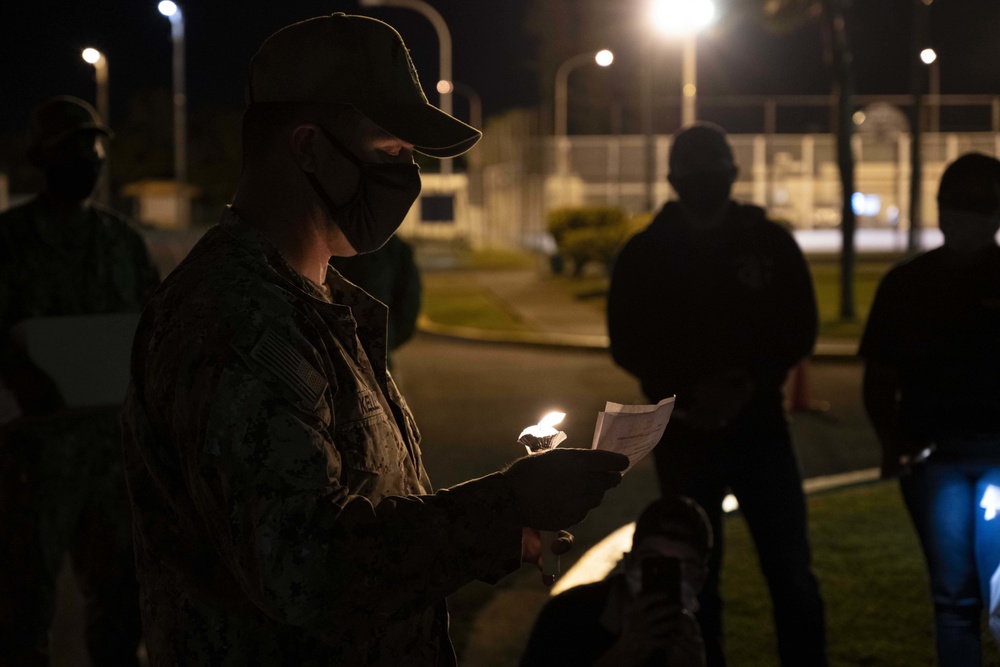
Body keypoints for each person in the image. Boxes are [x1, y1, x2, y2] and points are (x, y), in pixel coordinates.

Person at [121, 13, 629, 666]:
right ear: (307, 148)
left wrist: (507, 528)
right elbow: (306, 564)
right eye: (391, 152)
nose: (408, 177)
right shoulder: (232, 318)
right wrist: (505, 502)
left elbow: (361, 506)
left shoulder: (312, 301)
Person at [606, 122, 826, 666]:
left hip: (760, 426)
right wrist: (690, 394)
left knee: (791, 573)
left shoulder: (769, 243)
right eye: (695, 169)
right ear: (673, 179)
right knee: (693, 578)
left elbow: (800, 325)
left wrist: (748, 382)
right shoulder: (646, 253)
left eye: (714, 167)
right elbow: (629, 338)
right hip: (684, 431)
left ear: (733, 173)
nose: (705, 178)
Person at [0, 96, 160, 665]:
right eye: (75, 148)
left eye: (95, 149)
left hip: (110, 457)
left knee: (122, 607)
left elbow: (152, 330)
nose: (89, 159)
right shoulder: (9, 241)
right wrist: (19, 371)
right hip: (29, 460)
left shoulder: (122, 241)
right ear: (42, 157)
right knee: (21, 611)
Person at [860, 152, 1000, 666]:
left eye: (981, 205)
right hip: (933, 459)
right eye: (959, 204)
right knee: (954, 598)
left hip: (979, 455)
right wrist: (894, 441)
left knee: (979, 601)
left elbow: (879, 377)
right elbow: (879, 376)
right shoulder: (907, 284)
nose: (968, 215)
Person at [521, 495, 713, 666]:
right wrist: (624, 654)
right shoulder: (565, 617)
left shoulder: (699, 637)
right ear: (629, 563)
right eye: (653, 563)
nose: (667, 577)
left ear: (700, 579)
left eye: (684, 566)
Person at [329, 233, 421, 370]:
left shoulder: (329, 242)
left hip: (331, 349)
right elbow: (408, 308)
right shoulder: (394, 248)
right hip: (376, 351)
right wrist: (386, 339)